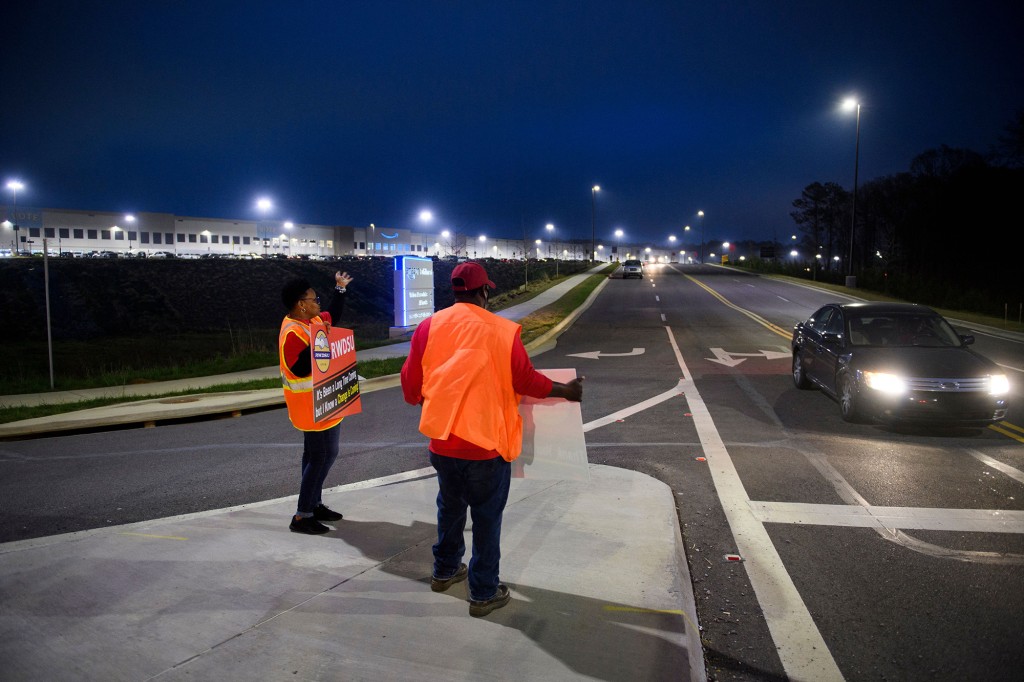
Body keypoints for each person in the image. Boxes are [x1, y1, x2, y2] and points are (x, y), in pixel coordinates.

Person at [400, 261, 584, 617]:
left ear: (455, 292)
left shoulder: (428, 327)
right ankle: (483, 592)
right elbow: (527, 381)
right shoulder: (503, 331)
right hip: (486, 447)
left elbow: (410, 389)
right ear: (484, 291)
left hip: (442, 443)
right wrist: (567, 390)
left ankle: (444, 571)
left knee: (449, 509)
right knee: (486, 518)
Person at [279, 270, 354, 535]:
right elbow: (299, 369)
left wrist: (340, 289)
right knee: (319, 455)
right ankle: (302, 516)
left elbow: (332, 314)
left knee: (320, 455)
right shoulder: (293, 333)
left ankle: (314, 503)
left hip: (326, 402)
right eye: (314, 299)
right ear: (301, 304)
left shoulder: (310, 323)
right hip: (310, 407)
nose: (318, 303)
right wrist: (321, 343)